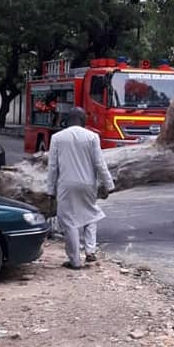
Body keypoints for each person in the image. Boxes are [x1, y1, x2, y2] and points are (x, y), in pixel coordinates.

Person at [46, 106, 115, 269]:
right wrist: (109, 184)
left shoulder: (57, 137)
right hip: (88, 184)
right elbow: (100, 163)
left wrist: (50, 190)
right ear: (83, 121)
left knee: (69, 221)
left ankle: (75, 260)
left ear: (67, 120)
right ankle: (90, 251)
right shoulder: (92, 137)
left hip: (66, 185)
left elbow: (53, 167)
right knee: (90, 214)